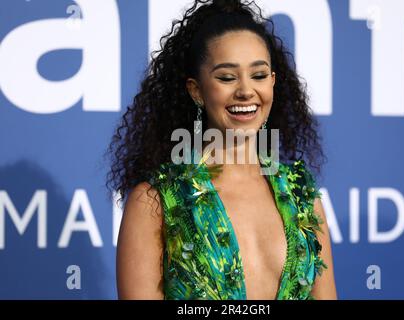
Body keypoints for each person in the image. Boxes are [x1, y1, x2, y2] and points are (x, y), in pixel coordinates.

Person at [107, 0, 337, 300]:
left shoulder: (303, 198)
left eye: (258, 75)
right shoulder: (156, 202)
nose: (245, 90)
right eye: (227, 77)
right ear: (197, 91)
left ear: (273, 83)